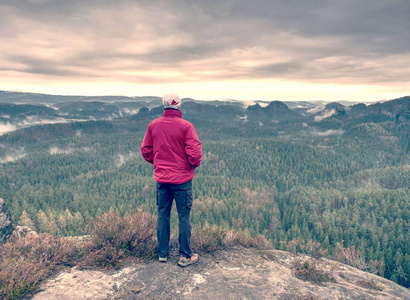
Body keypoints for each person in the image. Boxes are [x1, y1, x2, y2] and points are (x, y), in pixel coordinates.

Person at [141, 94, 202, 267]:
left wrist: (158, 164)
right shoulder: (186, 126)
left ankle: (162, 254)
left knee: (163, 214)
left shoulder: (154, 125)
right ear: (179, 106)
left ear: (164, 105)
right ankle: (185, 256)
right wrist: (189, 166)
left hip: (162, 180)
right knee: (183, 217)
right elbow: (195, 154)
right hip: (182, 181)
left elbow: (146, 150)